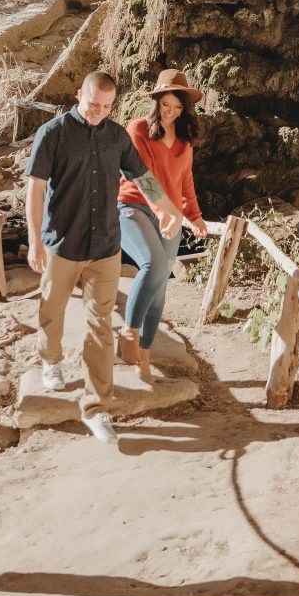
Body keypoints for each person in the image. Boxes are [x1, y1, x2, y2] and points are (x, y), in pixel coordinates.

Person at [25, 71, 183, 445]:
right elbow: (34, 188)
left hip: (105, 248)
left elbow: (141, 176)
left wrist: (163, 207)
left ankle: (97, 409)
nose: (98, 112)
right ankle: (50, 359)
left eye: (107, 106)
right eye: (93, 104)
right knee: (52, 310)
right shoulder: (53, 133)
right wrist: (34, 241)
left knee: (99, 329)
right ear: (79, 94)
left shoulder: (116, 136)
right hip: (62, 243)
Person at [117, 69, 207, 380]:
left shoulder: (184, 140)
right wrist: (166, 214)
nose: (171, 112)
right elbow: (143, 179)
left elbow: (185, 180)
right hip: (134, 207)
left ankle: (143, 352)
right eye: (166, 105)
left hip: (171, 216)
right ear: (156, 102)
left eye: (178, 107)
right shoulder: (138, 129)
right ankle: (128, 336)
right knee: (153, 264)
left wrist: (193, 216)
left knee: (160, 288)